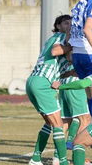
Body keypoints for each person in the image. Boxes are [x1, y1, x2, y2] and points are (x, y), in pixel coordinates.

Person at [26, 15, 72, 165]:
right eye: (66, 23)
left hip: (34, 81)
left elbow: (63, 63)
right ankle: (63, 161)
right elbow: (55, 51)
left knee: (50, 124)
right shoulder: (59, 36)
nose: (69, 25)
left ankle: (36, 158)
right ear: (58, 26)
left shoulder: (55, 39)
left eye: (71, 23)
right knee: (59, 125)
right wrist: (71, 47)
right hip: (43, 83)